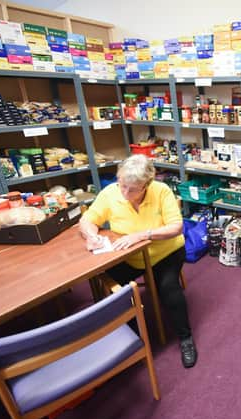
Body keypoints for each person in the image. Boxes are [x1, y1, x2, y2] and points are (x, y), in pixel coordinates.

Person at [79, 154, 197, 369]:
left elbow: (176, 227)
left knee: (169, 289)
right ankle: (132, 334)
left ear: (147, 184)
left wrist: (143, 235)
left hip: (165, 253)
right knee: (112, 288)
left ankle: (186, 338)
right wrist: (91, 236)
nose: (125, 193)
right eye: (122, 185)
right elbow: (88, 219)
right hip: (130, 257)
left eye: (132, 189)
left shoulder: (161, 191)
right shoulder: (110, 192)